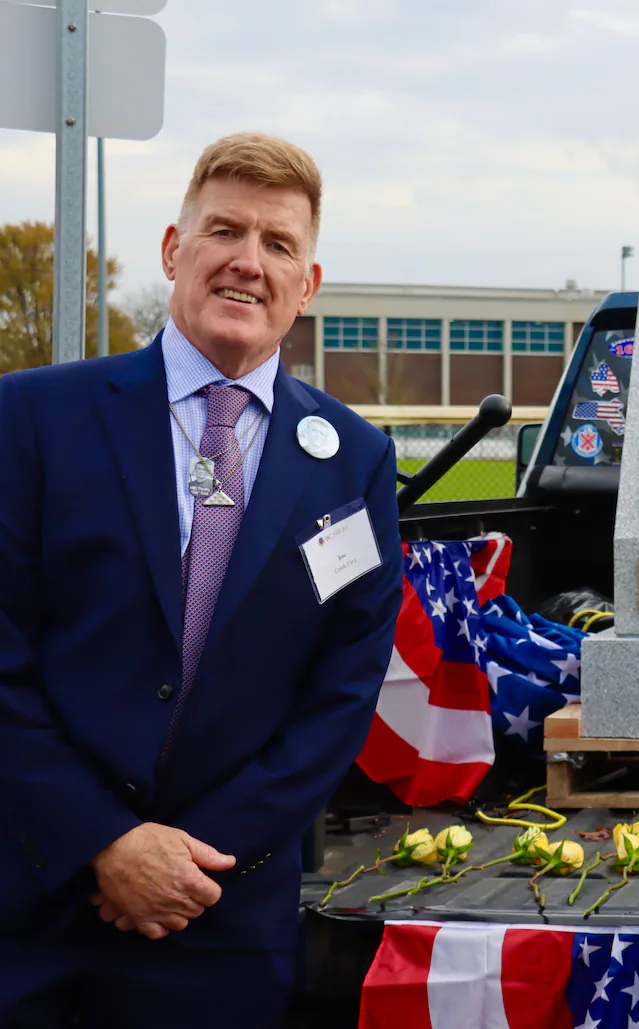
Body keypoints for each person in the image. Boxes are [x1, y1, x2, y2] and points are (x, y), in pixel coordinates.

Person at [0, 133, 404, 1027]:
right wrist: (100, 840)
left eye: (279, 244)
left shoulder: (357, 465)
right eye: (225, 230)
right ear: (174, 249)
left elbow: (338, 695)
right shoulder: (30, 419)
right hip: (28, 899)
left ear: (308, 284)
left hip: (219, 919)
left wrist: (186, 864)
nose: (248, 263)